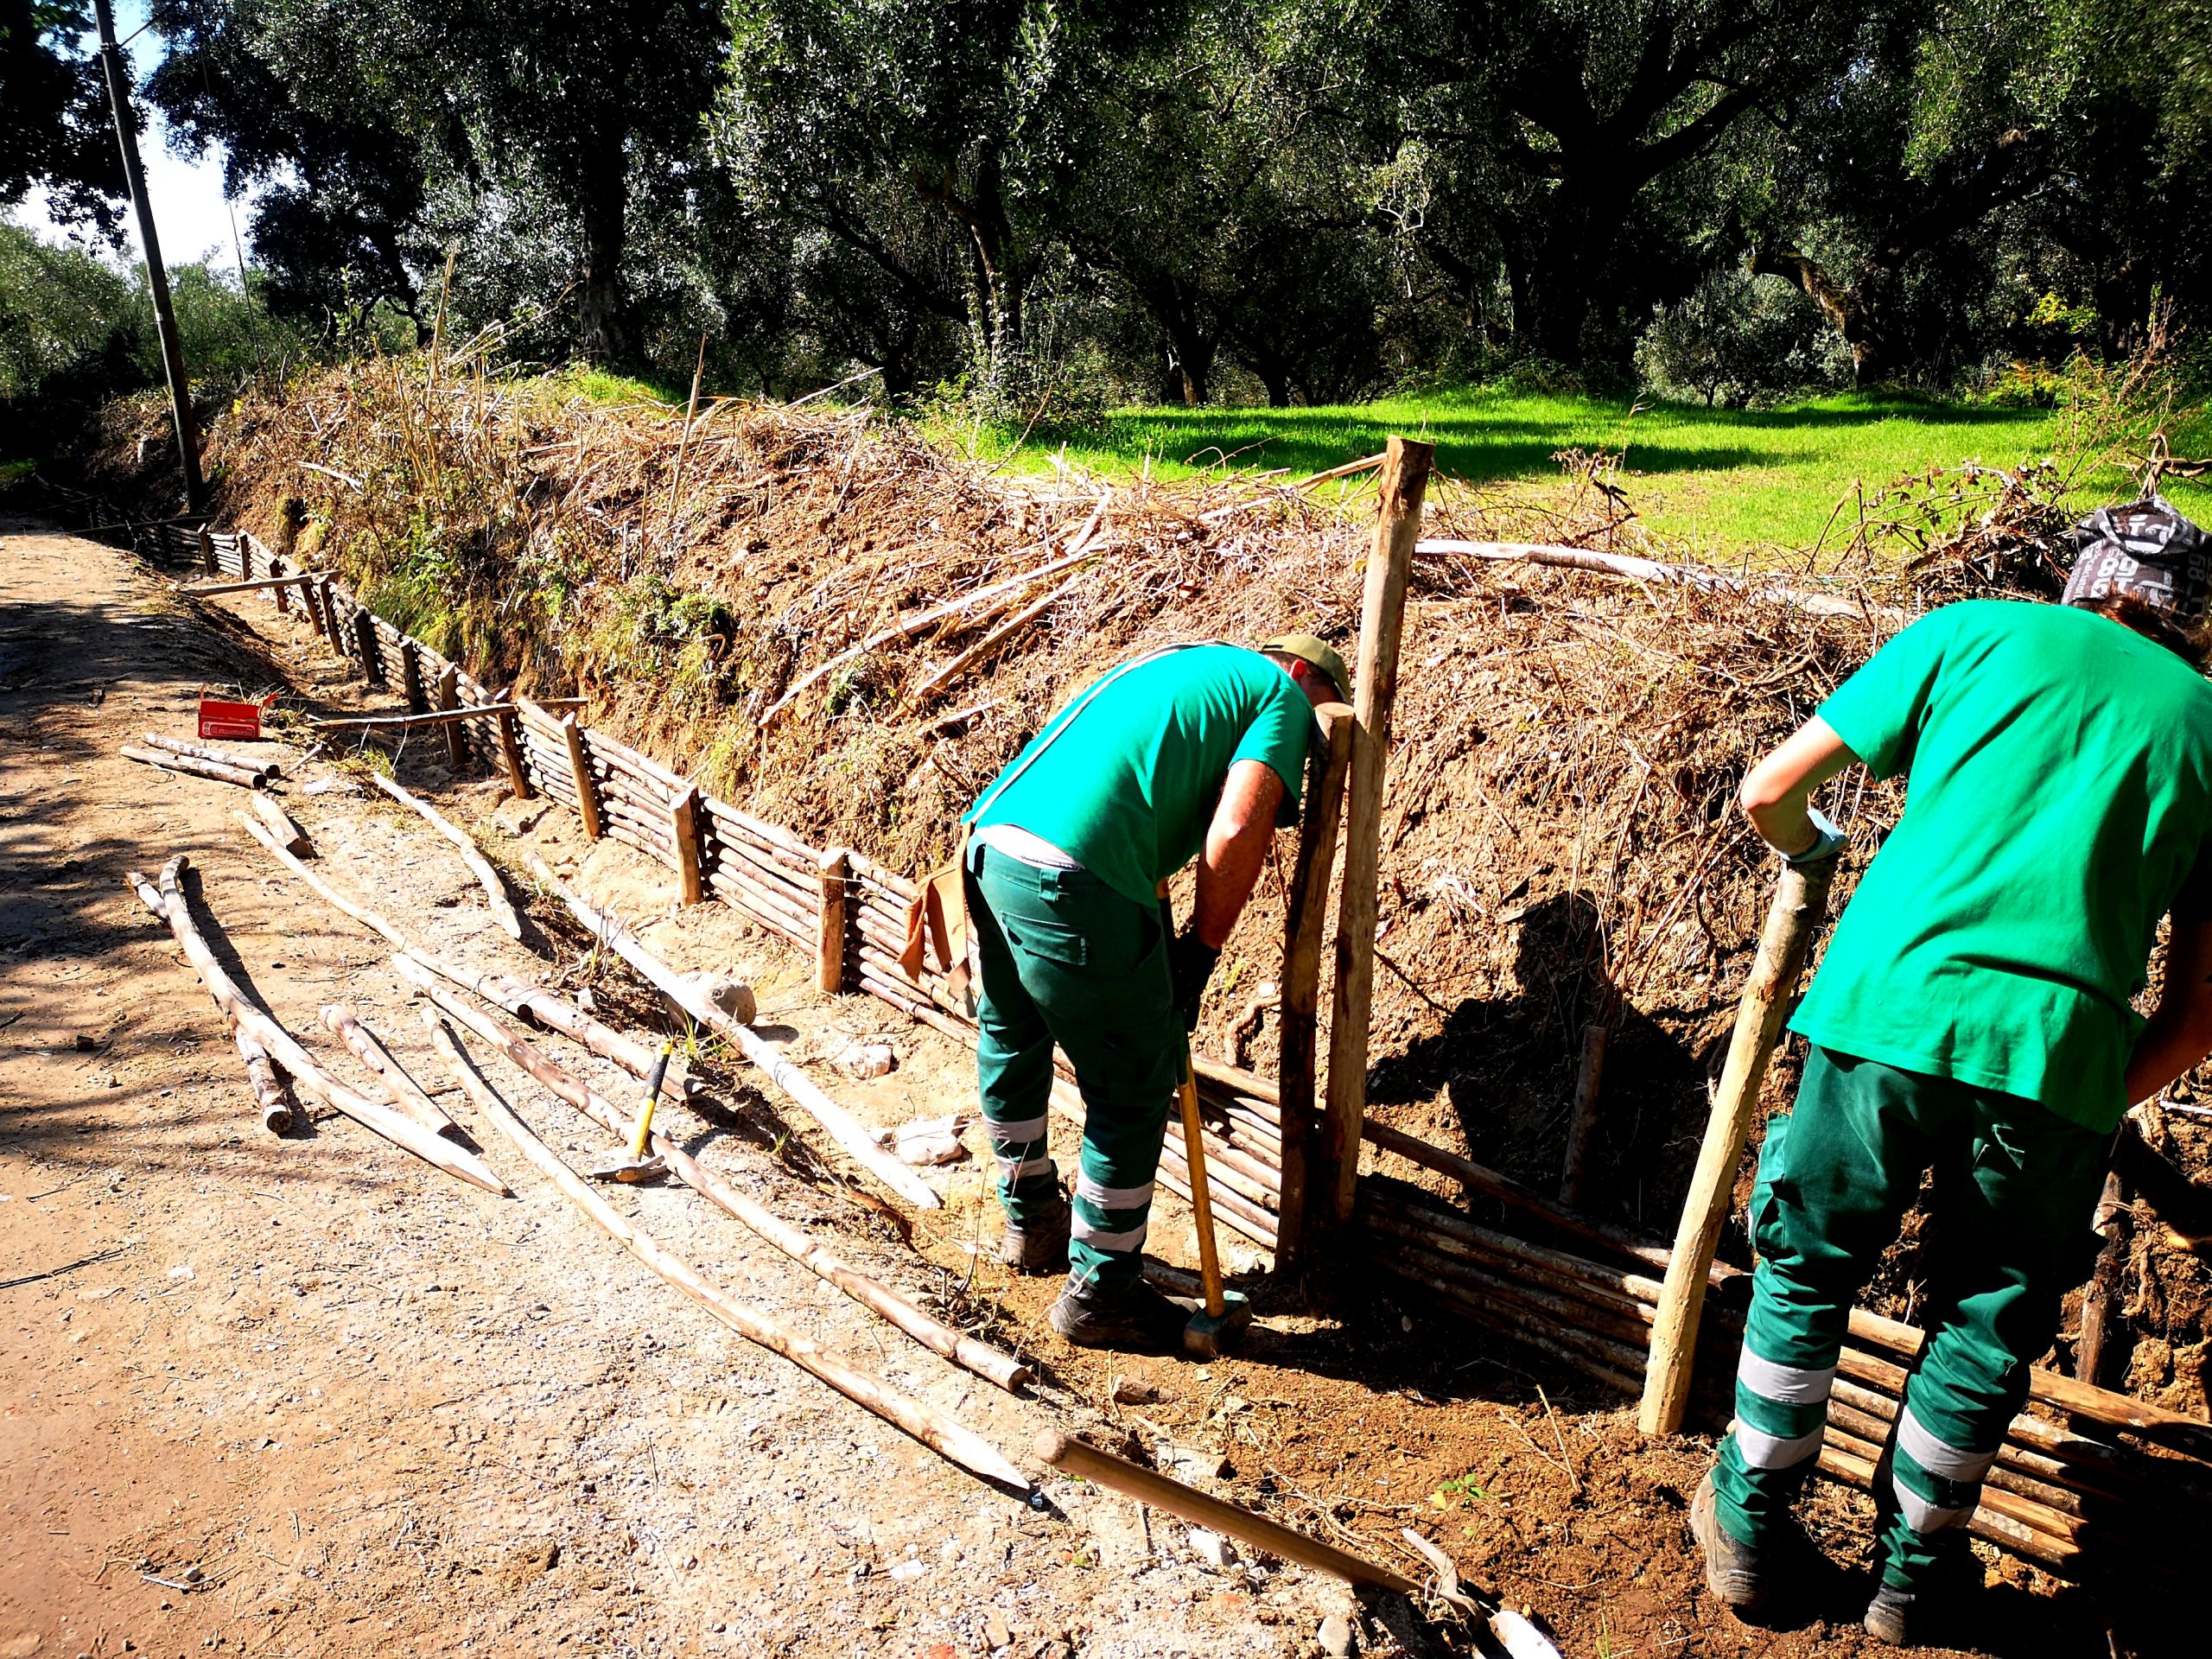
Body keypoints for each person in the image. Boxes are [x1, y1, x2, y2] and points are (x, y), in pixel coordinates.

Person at [1688, 497, 2212, 1645]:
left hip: (1887, 1010)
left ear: (2082, 583)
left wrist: (1813, 852)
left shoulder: (1968, 632)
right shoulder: (2211, 730)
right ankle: (1912, 1579)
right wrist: (2076, 1092)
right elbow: (2194, 1020)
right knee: (1983, 1329)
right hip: (2060, 1062)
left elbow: (1768, 792)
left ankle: (1752, 1526)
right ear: (2192, 623)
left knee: (1808, 1266)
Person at [959, 633, 1350, 1351]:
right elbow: (1235, 829)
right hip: (1072, 872)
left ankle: (1032, 1219)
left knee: (1014, 1036)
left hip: (994, 840)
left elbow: (1144, 780)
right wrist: (1200, 954)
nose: (1307, 760)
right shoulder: (1280, 694)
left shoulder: (1186, 668)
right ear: (1302, 674)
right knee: (1134, 1080)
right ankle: (1103, 1294)